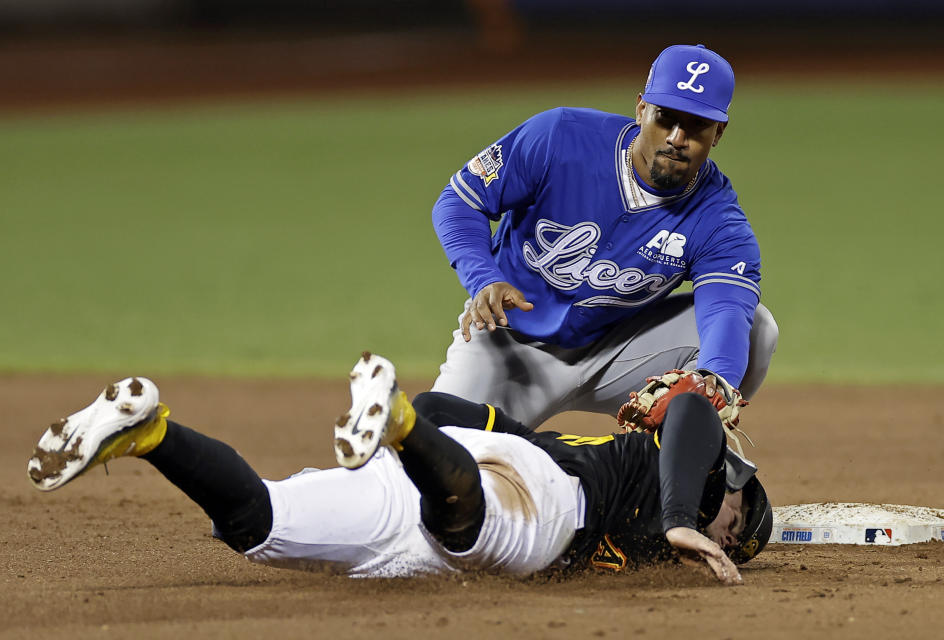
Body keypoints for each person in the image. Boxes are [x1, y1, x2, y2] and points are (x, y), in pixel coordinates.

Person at [27, 353, 772, 584]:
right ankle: (401, 425)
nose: (729, 539)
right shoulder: (676, 471)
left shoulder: (651, 519)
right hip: (544, 503)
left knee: (260, 526)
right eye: (738, 527)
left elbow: (460, 406)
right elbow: (691, 413)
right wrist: (682, 518)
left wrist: (424, 414)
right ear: (728, 489)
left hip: (449, 474)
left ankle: (149, 431)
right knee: (478, 533)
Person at [432, 44, 779, 428]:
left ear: (718, 133)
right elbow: (459, 202)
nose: (677, 138)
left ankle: (683, 463)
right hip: (507, 346)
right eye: (666, 118)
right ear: (641, 108)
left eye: (696, 125)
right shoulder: (560, 137)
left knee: (758, 329)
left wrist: (712, 384)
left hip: (621, 354)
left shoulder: (719, 220)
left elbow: (726, 311)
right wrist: (484, 278)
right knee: (437, 456)